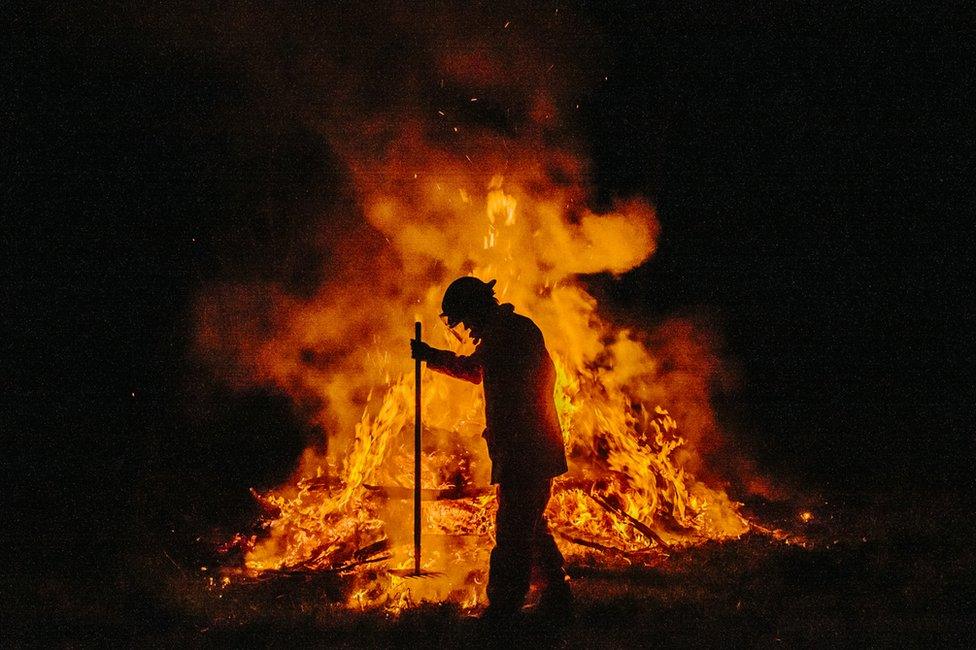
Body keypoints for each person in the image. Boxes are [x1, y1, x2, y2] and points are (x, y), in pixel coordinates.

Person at [410, 276, 572, 623]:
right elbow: (479, 371)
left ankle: (503, 609)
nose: (466, 327)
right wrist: (432, 357)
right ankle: (557, 597)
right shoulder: (511, 331)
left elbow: (473, 369)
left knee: (512, 534)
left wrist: (430, 356)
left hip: (526, 450)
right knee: (529, 525)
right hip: (528, 449)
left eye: (465, 318)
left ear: (476, 309)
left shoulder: (507, 334)